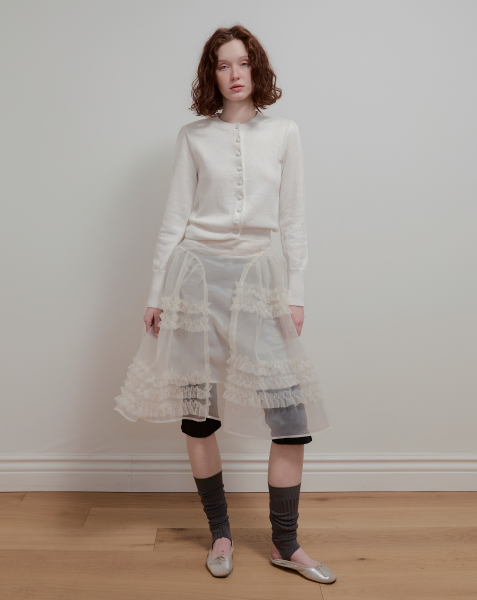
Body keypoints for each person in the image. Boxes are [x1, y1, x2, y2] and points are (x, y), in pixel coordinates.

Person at [114, 25, 336, 584]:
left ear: (256, 67)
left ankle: (285, 542)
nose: (235, 74)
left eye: (243, 62)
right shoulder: (194, 137)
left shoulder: (284, 133)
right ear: (211, 75)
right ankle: (220, 533)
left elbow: (293, 220)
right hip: (195, 278)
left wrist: (296, 293)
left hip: (258, 277)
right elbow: (174, 219)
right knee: (200, 413)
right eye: (222, 65)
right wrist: (156, 293)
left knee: (289, 416)